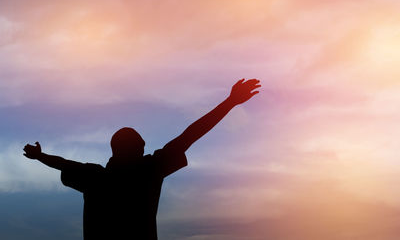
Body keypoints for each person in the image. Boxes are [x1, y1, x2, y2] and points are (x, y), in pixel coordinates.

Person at [23, 78, 261, 240]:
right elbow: (190, 135)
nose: (145, 148)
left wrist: (40, 156)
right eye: (142, 146)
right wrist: (230, 102)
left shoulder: (94, 177)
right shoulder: (149, 170)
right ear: (137, 150)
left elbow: (63, 164)